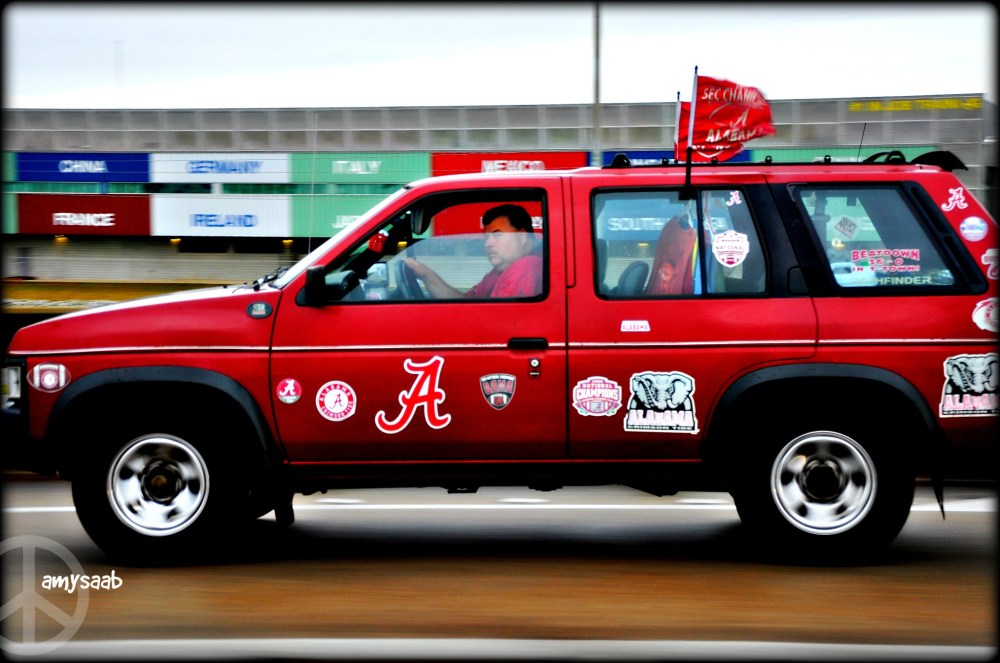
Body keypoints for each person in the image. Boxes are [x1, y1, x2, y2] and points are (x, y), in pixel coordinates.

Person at [404, 204, 542, 299]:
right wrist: (426, 275)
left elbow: (496, 321)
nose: (488, 243)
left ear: (522, 236)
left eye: (497, 235)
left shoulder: (525, 268)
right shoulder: (501, 271)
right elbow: (464, 301)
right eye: (486, 237)